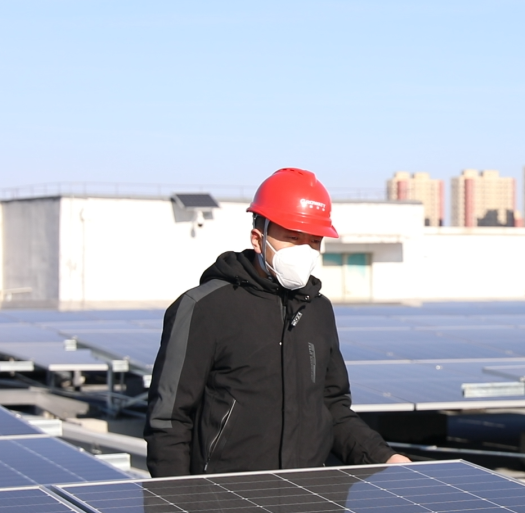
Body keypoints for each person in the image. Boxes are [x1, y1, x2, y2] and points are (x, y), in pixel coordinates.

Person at [144, 168, 409, 477]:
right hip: (224, 499)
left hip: (309, 498)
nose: (305, 251)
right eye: (293, 238)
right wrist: (178, 500)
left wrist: (383, 456)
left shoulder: (318, 310)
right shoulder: (205, 307)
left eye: (314, 241)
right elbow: (169, 420)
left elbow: (332, 408)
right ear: (259, 239)